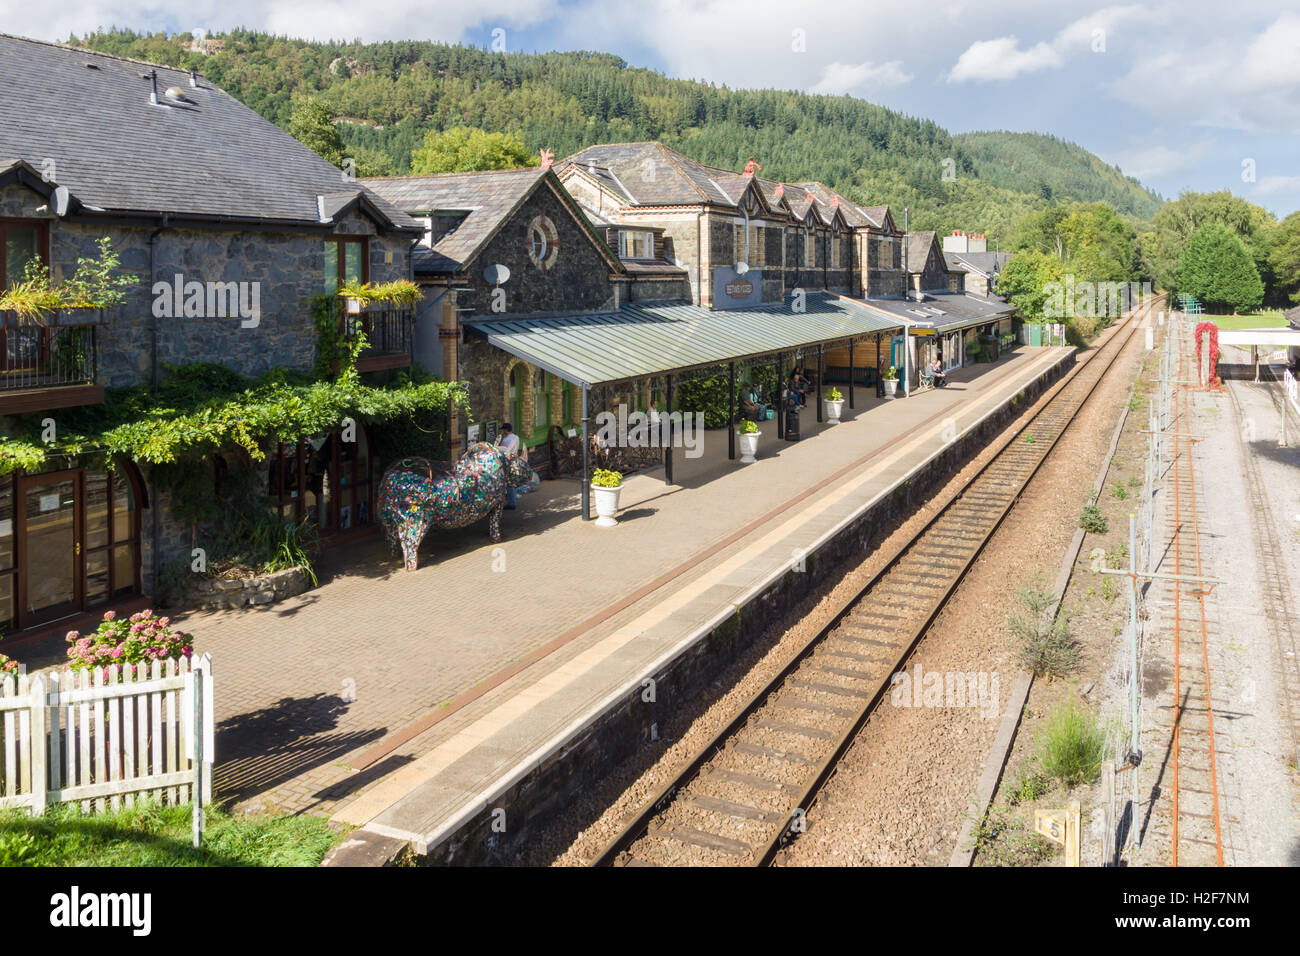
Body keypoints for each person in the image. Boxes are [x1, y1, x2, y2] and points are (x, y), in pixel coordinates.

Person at [496, 422, 526, 509]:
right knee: (512, 481)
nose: (502, 431)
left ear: (505, 430)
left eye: (503, 429)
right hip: (514, 460)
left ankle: (512, 503)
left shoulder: (505, 440)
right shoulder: (516, 437)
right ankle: (512, 499)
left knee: (509, 483)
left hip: (507, 461)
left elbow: (502, 450)